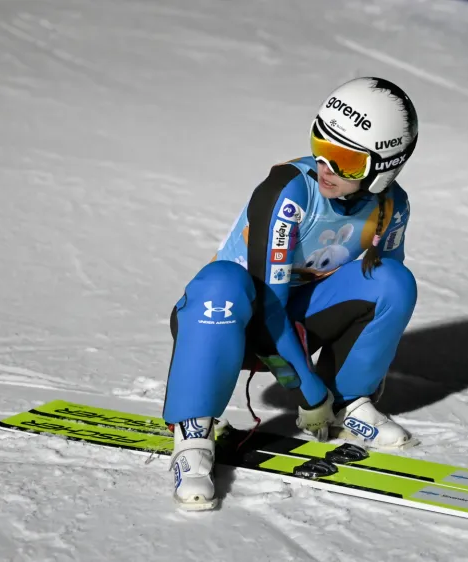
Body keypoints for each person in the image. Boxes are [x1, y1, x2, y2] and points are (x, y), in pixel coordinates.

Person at [160, 77, 420, 511]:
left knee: (394, 280)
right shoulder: (289, 190)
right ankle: (193, 432)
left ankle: (350, 401)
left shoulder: (391, 207)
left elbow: (379, 292)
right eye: (321, 144)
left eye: (346, 161)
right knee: (221, 280)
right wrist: (307, 391)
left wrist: (329, 394)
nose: (326, 167)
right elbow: (268, 306)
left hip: (300, 319)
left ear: (385, 167)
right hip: (228, 323)